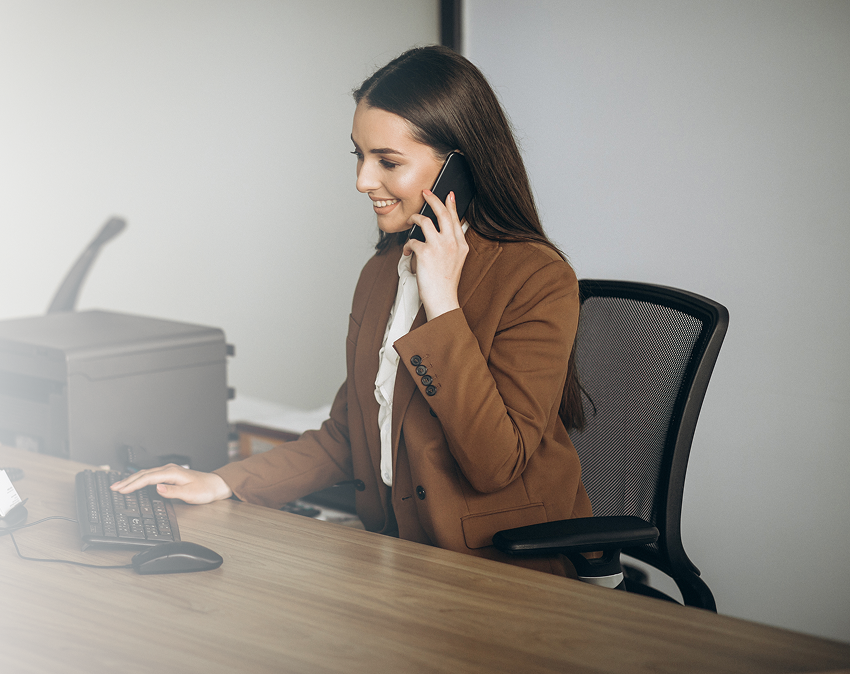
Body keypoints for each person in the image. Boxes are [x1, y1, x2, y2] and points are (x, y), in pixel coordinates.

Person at [112, 45, 592, 576]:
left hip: (501, 571)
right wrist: (223, 481)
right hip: (399, 561)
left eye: (388, 162)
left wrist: (443, 305)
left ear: (458, 168)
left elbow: (495, 463)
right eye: (359, 156)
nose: (363, 180)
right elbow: (348, 434)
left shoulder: (537, 278)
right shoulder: (382, 273)